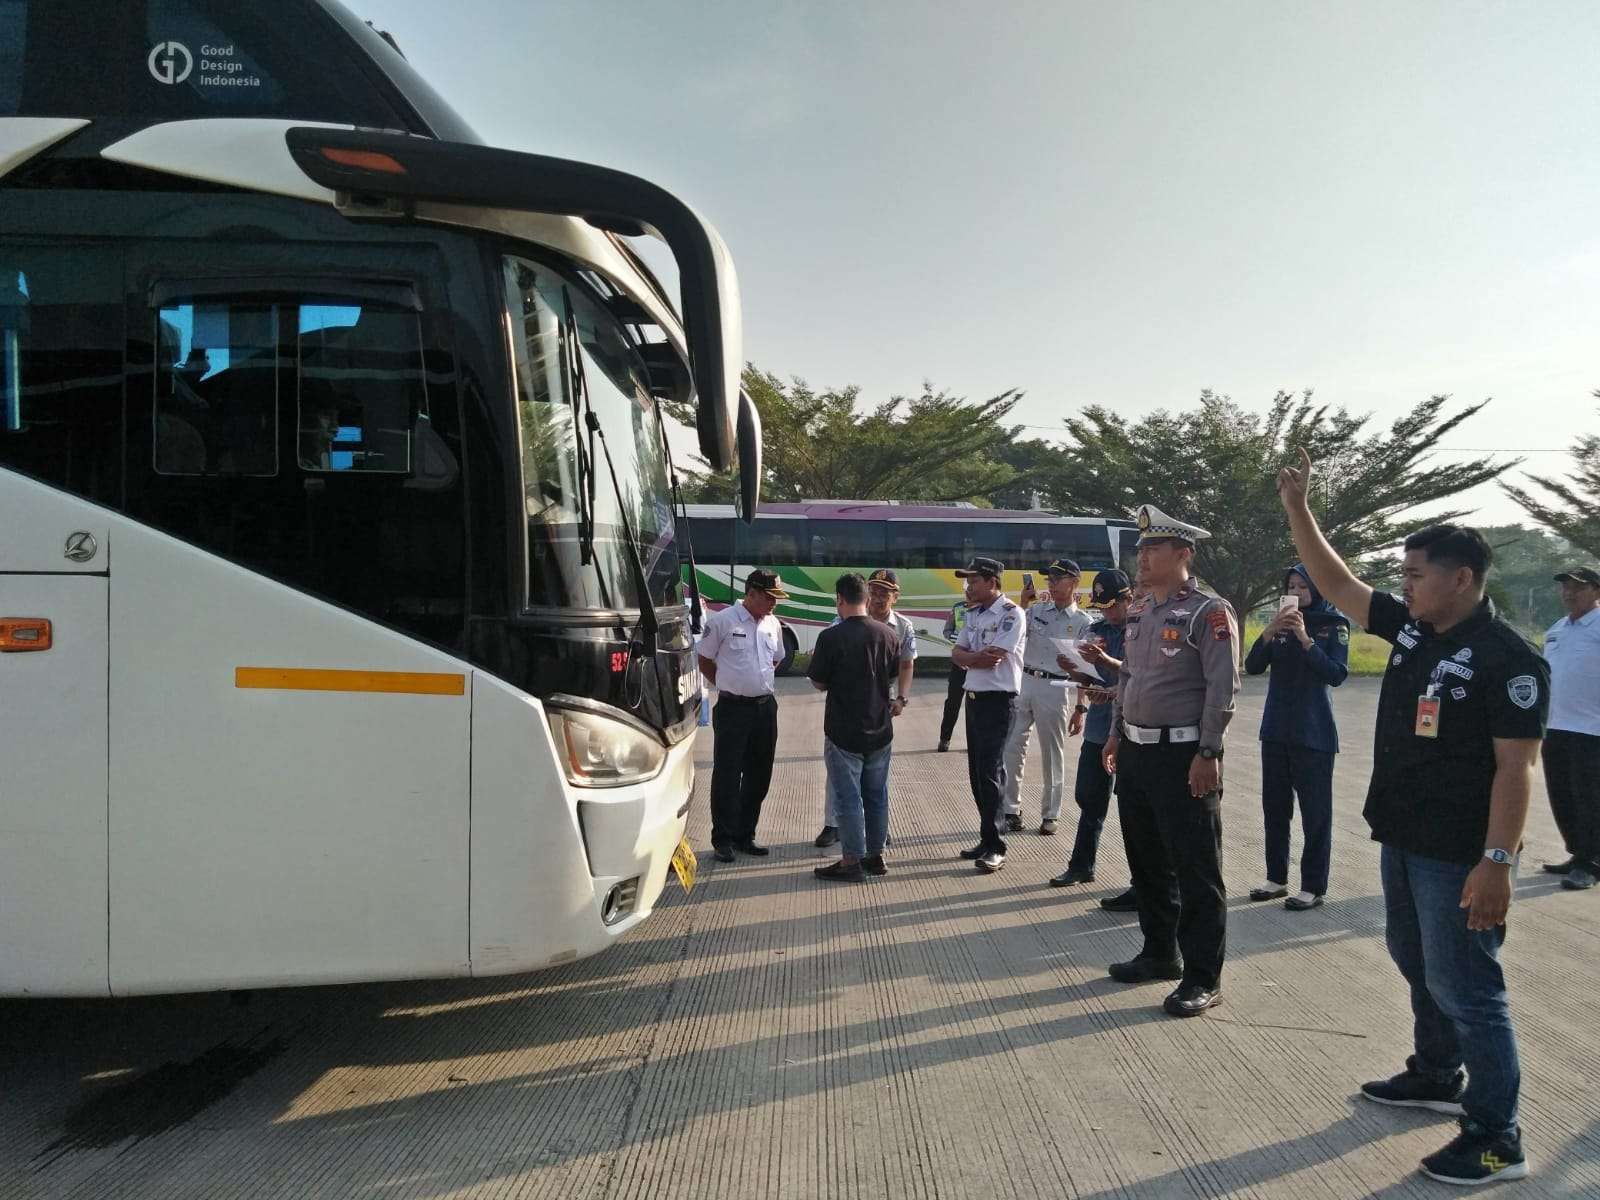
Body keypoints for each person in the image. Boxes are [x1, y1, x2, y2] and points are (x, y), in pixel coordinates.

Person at [1279, 448, 1548, 1186]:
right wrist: (1299, 509)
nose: (1404, 585)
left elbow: (1516, 767)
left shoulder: (1507, 659)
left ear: (1461, 578)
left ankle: (1498, 1137)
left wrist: (1497, 863)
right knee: (1417, 960)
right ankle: (1437, 1072)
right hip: (1404, 835)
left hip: (1462, 852)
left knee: (1470, 987)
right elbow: (1335, 582)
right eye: (1402, 575)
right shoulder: (1412, 631)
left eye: (1416, 574)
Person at [1103, 505, 1239, 1018]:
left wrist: (1208, 752)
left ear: (1182, 554)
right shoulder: (1139, 609)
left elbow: (1223, 689)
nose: (1142, 557)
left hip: (1185, 755)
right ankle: (1160, 952)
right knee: (1148, 862)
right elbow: (1130, 680)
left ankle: (1203, 976)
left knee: (1197, 867)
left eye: (1152, 548)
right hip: (1136, 752)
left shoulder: (1208, 612)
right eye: (1140, 549)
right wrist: (1116, 734)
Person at [1243, 564, 1350, 910]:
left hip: (1313, 732)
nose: (1297, 592)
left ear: (1317, 588)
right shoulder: (1279, 626)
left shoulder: (1333, 624)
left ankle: (1313, 886)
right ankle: (1276, 878)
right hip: (1276, 728)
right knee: (1274, 808)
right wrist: (1270, 630)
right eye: (1291, 585)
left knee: (1315, 814)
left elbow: (1335, 674)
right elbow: (1254, 665)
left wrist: (1305, 640)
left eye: (1303, 586)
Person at [808, 573, 902, 882]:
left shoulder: (831, 637)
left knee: (847, 798)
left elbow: (819, 681)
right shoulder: (888, 635)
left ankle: (851, 861)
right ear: (865, 598)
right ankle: (875, 857)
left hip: (844, 730)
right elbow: (890, 675)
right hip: (880, 728)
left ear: (840, 599)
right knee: (876, 795)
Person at [698, 569, 789, 863]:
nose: (774, 604)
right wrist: (726, 683)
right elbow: (703, 658)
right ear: (751, 594)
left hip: (764, 708)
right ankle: (722, 838)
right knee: (727, 774)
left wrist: (755, 683)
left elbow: (776, 659)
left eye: (777, 598)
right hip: (733, 708)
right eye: (770, 597)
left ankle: (744, 834)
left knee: (759, 774)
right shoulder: (723, 621)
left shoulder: (772, 624)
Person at [1050, 568, 1134, 892]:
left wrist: (1109, 681)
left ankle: (1140, 880)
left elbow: (1135, 676)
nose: (1108, 613)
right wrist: (1074, 669)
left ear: (1128, 598)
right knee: (1088, 797)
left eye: (1113, 606)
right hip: (1100, 729)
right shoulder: (1096, 630)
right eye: (1102, 607)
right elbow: (1087, 677)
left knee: (1133, 810)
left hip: (1131, 732)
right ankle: (1082, 866)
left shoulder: (1140, 631)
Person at [1002, 560, 1096, 834]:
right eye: (1049, 580)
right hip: (1025, 682)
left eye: (1057, 579)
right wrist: (1022, 603)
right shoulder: (1034, 611)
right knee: (1011, 747)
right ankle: (1010, 809)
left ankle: (1050, 814)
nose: (1051, 585)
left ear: (1074, 583)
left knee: (1052, 753)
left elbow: (1082, 669)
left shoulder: (1082, 623)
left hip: (1055, 688)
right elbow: (1014, 635)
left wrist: (1080, 706)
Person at [950, 556, 1025, 873]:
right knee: (978, 774)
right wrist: (972, 657)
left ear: (992, 582)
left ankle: (997, 846)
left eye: (974, 581)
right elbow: (956, 654)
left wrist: (972, 657)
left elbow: (994, 657)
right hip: (975, 698)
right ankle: (986, 837)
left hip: (998, 701)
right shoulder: (974, 615)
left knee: (991, 772)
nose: (968, 587)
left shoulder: (1011, 614)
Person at [1539, 567, 1600, 891]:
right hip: (1556, 725)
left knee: (1589, 797)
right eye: (1565, 587)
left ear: (1596, 590)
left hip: (1593, 729)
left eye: (1577, 587)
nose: (1569, 593)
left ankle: (1592, 862)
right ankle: (1578, 852)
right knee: (1562, 795)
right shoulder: (1557, 629)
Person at [939, 598, 969, 751]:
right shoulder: (958, 607)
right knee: (953, 703)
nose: (970, 592)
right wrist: (957, 639)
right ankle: (944, 739)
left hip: (979, 665)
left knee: (976, 706)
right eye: (968, 589)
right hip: (959, 663)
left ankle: (974, 741)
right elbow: (947, 631)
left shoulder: (987, 609)